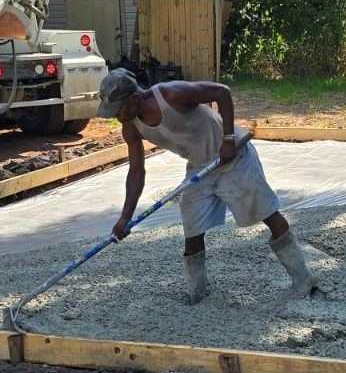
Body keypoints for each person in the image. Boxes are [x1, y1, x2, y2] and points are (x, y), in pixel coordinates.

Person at [96, 67, 317, 304]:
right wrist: (124, 218)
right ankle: (196, 294)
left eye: (116, 111)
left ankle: (304, 281)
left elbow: (222, 92)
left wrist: (229, 139)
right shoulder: (131, 127)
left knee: (267, 213)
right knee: (192, 229)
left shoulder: (173, 95)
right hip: (201, 169)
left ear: (134, 99)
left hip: (235, 159)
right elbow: (136, 172)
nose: (115, 117)